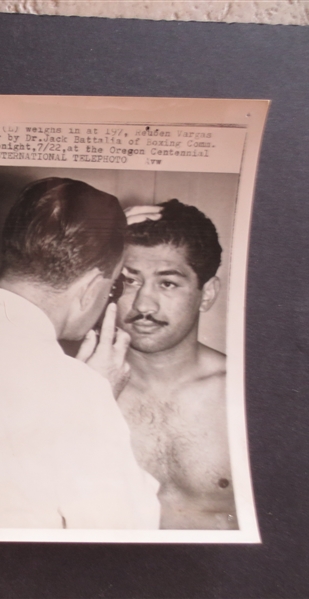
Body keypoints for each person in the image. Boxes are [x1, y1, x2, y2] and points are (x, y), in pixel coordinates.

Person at [0, 177, 160, 529]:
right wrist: (97, 397)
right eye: (115, 284)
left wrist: (104, 236)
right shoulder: (79, 390)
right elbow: (125, 534)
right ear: (91, 288)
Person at [116, 199, 237, 529]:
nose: (143, 303)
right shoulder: (80, 390)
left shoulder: (241, 395)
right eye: (129, 280)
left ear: (207, 293)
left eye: (167, 283)